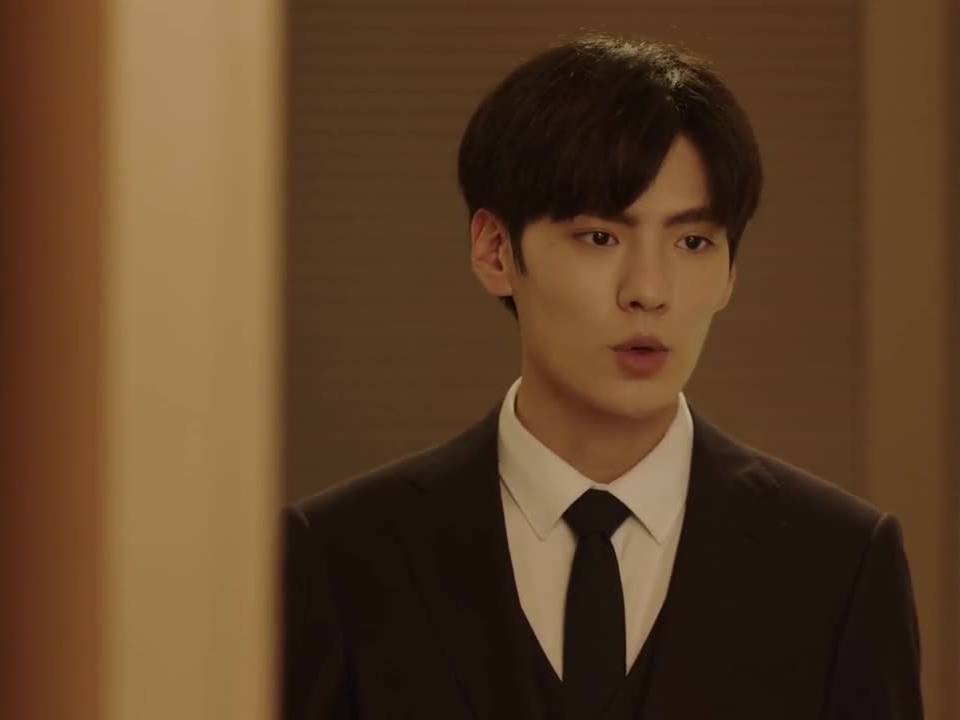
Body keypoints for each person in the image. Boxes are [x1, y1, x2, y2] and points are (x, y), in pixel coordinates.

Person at [281, 34, 922, 719]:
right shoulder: (345, 556)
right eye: (600, 238)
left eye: (692, 242)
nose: (648, 291)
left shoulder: (838, 565)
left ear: (731, 270)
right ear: (495, 251)